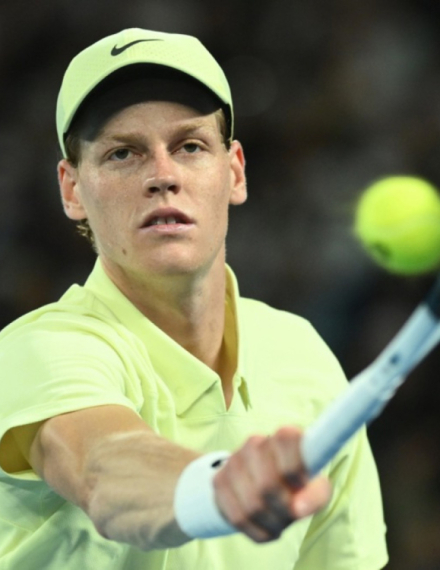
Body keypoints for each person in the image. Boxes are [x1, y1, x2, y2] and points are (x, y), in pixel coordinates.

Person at [0, 28, 388, 569]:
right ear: (72, 189)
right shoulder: (36, 350)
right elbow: (104, 468)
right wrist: (215, 490)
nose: (162, 176)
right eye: (122, 153)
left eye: (190, 146)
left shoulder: (302, 356)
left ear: (234, 171)